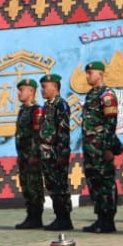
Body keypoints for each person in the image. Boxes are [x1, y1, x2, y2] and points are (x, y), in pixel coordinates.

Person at [79, 61, 122, 233]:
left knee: (106, 183)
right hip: (91, 150)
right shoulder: (91, 95)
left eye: (91, 73)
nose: (88, 76)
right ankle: (100, 218)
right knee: (94, 182)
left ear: (100, 74)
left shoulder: (107, 95)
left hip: (102, 148)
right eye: (87, 73)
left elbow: (111, 123)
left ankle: (108, 220)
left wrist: (108, 147)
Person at [39, 74, 75, 231]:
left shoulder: (61, 105)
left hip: (57, 154)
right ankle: (59, 216)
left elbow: (63, 131)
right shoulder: (47, 106)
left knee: (60, 186)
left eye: (45, 87)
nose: (42, 90)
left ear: (54, 87)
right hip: (47, 154)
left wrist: (62, 154)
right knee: (52, 186)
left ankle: (64, 218)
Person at [13, 77, 45, 229]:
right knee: (26, 185)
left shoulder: (36, 110)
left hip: (32, 156)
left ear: (31, 91)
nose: (19, 93)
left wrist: (34, 154)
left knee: (34, 186)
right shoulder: (23, 110)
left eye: (21, 90)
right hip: (23, 156)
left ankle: (36, 217)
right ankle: (30, 215)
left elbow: (37, 134)